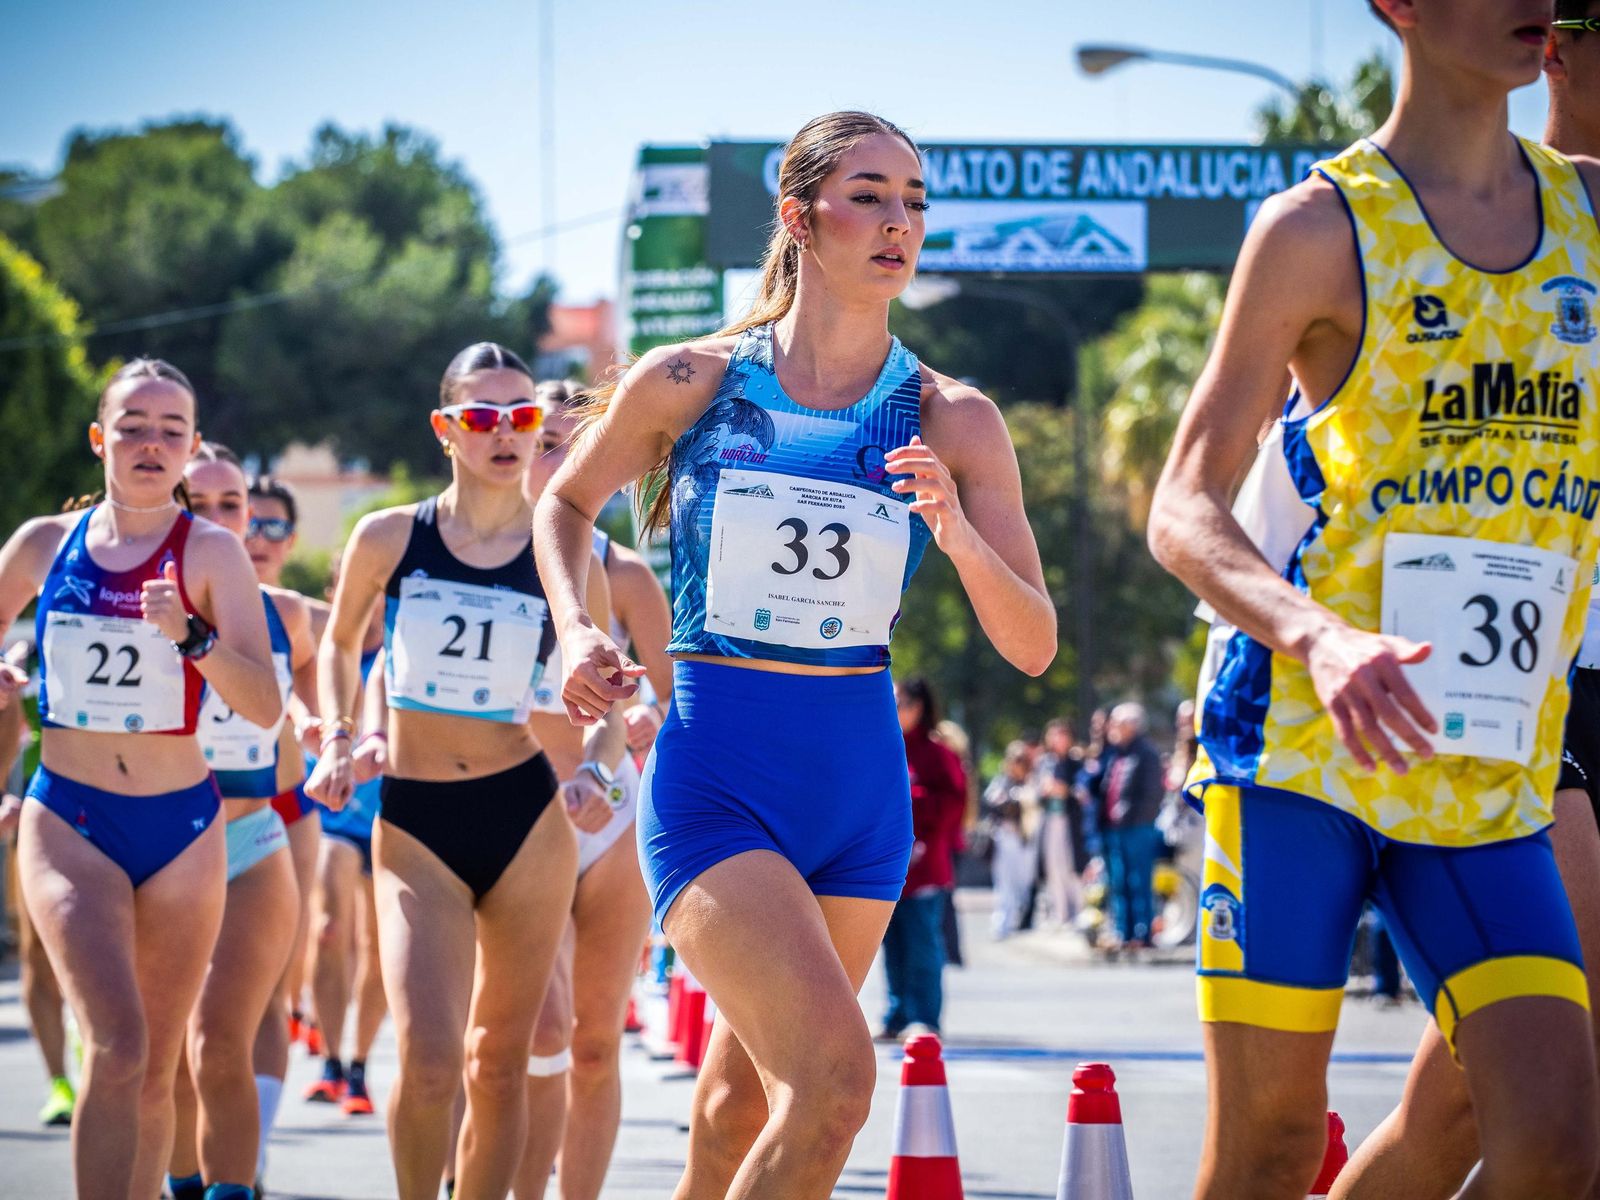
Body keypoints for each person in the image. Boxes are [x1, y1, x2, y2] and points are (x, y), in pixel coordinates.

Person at [533, 110, 1054, 1200]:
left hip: (861, 791)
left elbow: (1033, 644)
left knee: (741, 1103)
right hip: (718, 775)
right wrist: (578, 626)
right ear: (798, 216)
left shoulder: (953, 418)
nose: (897, 221)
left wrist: (956, 534)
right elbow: (568, 504)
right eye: (868, 194)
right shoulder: (694, 381)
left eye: (913, 200)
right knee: (831, 1087)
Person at [1147, 0, 1600, 1194]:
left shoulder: (1591, 214)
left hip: (1489, 757)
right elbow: (1183, 506)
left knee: (1555, 1143)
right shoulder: (1317, 227)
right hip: (1303, 744)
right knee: (1273, 1148)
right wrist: (1321, 638)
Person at [1330, 6, 1600, 1195]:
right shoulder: (1390, 226)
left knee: (1563, 1133)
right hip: (1517, 698)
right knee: (1482, 1108)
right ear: (1559, 50)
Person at [307, 342, 589, 1200]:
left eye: (521, 417)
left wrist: (604, 727)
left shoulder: (561, 549)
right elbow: (337, 642)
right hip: (417, 820)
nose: (504, 434)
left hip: (526, 820)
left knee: (497, 1065)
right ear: (446, 429)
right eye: (480, 417)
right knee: (430, 1062)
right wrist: (334, 735)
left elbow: (597, 660)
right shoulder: (390, 535)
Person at [0, 358, 281, 1199]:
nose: (150, 444)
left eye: (170, 430)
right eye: (132, 426)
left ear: (192, 448)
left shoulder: (213, 552)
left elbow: (263, 704)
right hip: (71, 820)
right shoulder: (44, 546)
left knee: (157, 1066)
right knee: (117, 1045)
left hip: (182, 829)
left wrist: (192, 638)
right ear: (100, 440)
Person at [517, 379, 672, 1200]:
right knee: (518, 1039)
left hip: (608, 814)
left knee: (594, 1044)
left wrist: (643, 718)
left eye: (578, 447)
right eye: (545, 443)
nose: (557, 462)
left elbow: (677, 697)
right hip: (512, 820)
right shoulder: (486, 559)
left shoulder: (630, 573)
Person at [166, 443, 310, 1200]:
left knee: (224, 1038)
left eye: (233, 507)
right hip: (159, 846)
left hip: (258, 836)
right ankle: (181, 1177)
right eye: (202, 504)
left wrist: (333, 730)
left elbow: (328, 687)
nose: (222, 522)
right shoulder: (141, 606)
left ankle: (238, 1176)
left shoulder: (287, 613)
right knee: (166, 1053)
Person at [0, 689, 76, 1128]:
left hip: (111, 810)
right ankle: (60, 1083)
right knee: (39, 958)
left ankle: (94, 1040)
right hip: (37, 818)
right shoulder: (16, 651)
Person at [877, 677, 967, 1040]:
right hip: (885, 865)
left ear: (918, 708)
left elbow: (953, 804)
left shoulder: (937, 753)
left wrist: (910, 802)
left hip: (924, 866)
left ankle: (925, 1017)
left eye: (899, 704)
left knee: (922, 944)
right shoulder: (883, 745)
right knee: (891, 945)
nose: (893, 710)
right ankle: (897, 1014)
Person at [1096, 703, 1165, 952]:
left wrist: (1133, 817)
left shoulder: (1146, 753)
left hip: (1137, 828)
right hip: (1116, 828)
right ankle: (1123, 932)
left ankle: (1142, 933)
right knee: (1119, 882)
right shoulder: (1116, 753)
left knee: (1139, 881)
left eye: (1118, 723)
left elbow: (1152, 793)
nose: (1112, 728)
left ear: (1132, 726)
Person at [983, 743, 1038, 940]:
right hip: (1004, 837)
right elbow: (991, 801)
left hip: (1026, 839)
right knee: (1004, 882)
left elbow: (1034, 806)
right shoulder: (1002, 782)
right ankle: (1002, 923)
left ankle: (1022, 921)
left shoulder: (1032, 782)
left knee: (1024, 882)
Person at [1039, 718, 1084, 927]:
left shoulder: (1076, 761)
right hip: (1051, 818)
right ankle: (1060, 914)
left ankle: (1077, 913)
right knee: (1054, 867)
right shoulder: (1046, 762)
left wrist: (1062, 789)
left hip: (1071, 820)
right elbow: (1041, 790)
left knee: (1071, 866)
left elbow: (1076, 789)